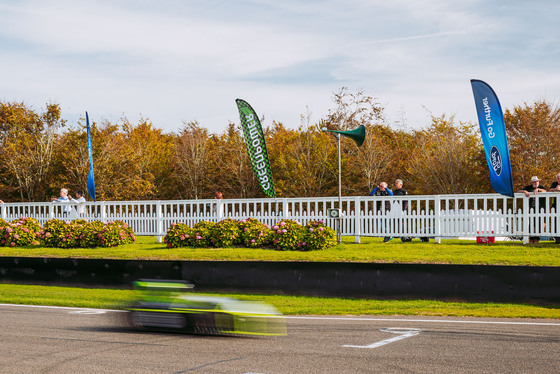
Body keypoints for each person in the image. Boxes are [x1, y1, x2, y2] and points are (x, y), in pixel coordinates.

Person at [518, 176, 547, 243]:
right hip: (531, 208)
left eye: (536, 181)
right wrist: (525, 191)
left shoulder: (541, 187)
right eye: (534, 182)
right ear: (531, 182)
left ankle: (537, 238)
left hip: (540, 209)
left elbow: (545, 191)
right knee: (531, 223)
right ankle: (531, 238)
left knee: (539, 223)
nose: (535, 183)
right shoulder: (528, 188)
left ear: (538, 182)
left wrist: (538, 190)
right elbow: (519, 191)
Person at [548, 173, 560, 243]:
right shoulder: (554, 184)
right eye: (558, 178)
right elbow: (550, 190)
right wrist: (555, 189)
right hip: (555, 206)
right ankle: (557, 238)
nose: (559, 179)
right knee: (555, 222)